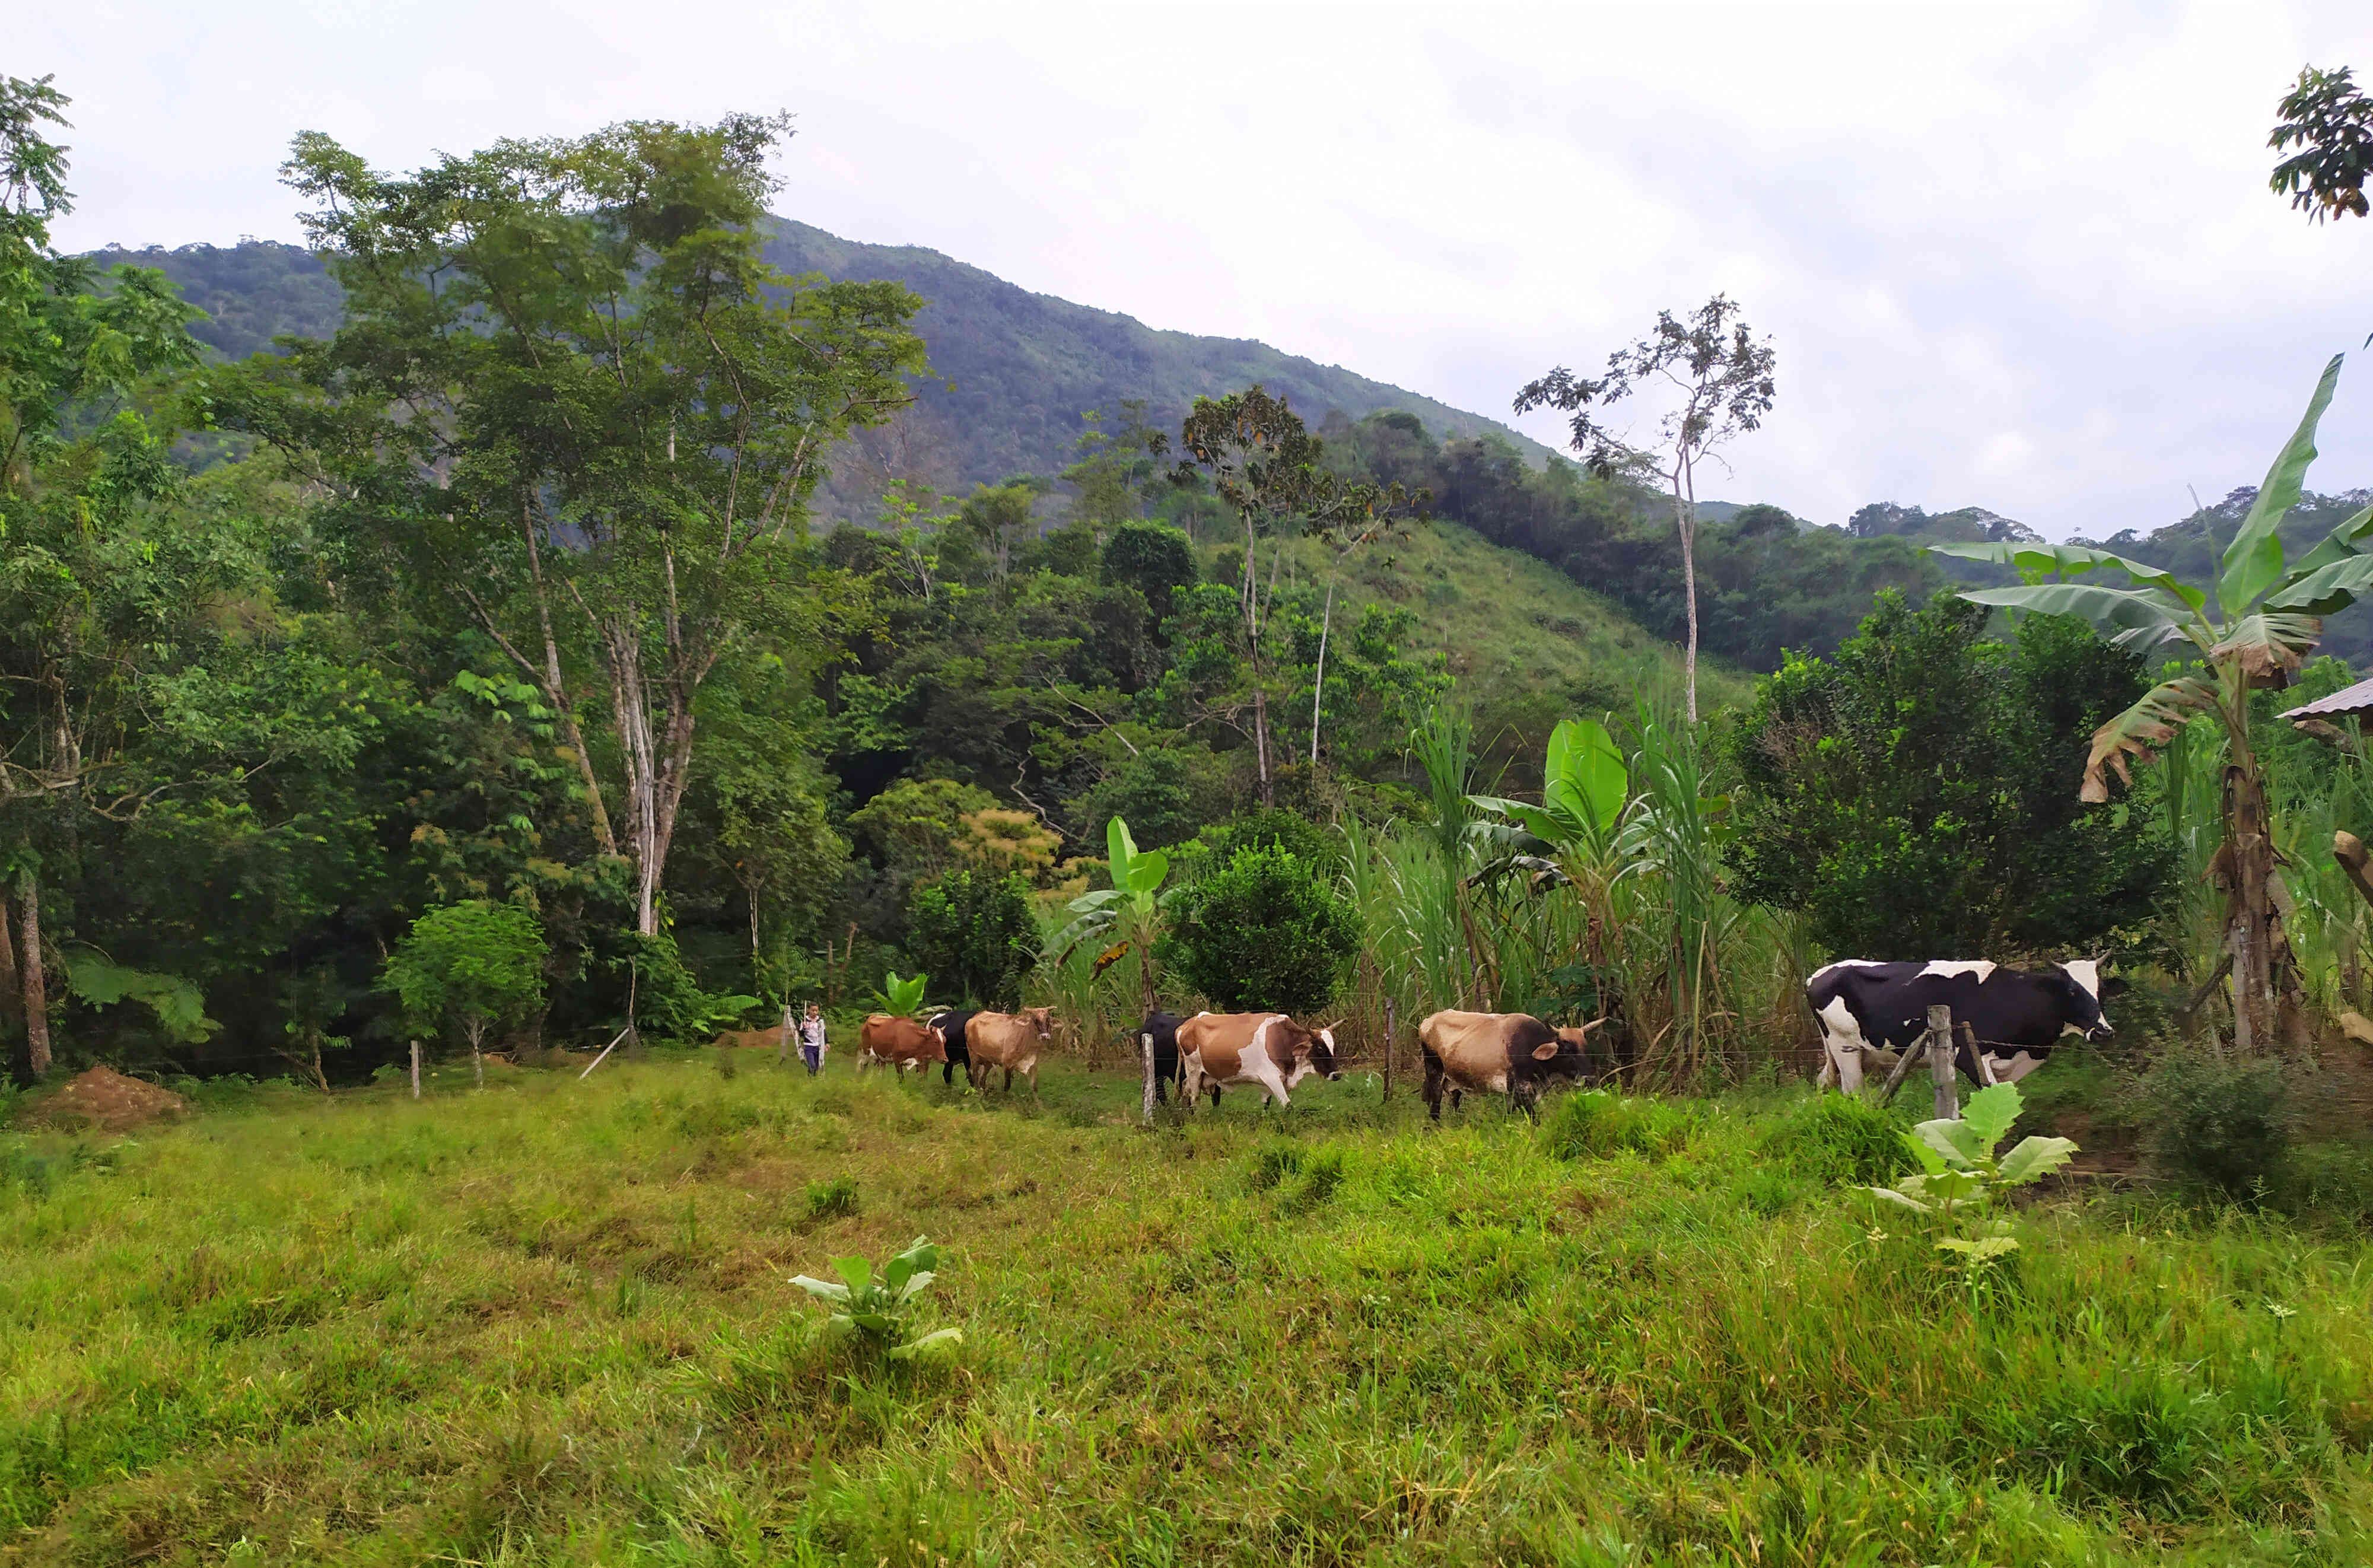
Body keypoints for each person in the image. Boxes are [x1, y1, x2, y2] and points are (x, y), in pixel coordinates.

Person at [799, 1002, 828, 1077]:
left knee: (817, 1067)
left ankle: (812, 1080)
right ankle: (810, 1078)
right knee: (812, 1065)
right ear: (809, 1010)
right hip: (809, 1046)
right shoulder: (805, 1020)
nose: (815, 1012)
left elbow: (824, 1033)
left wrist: (827, 1043)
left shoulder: (820, 1021)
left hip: (818, 1046)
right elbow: (801, 1034)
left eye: (816, 1011)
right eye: (813, 1010)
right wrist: (804, 1028)